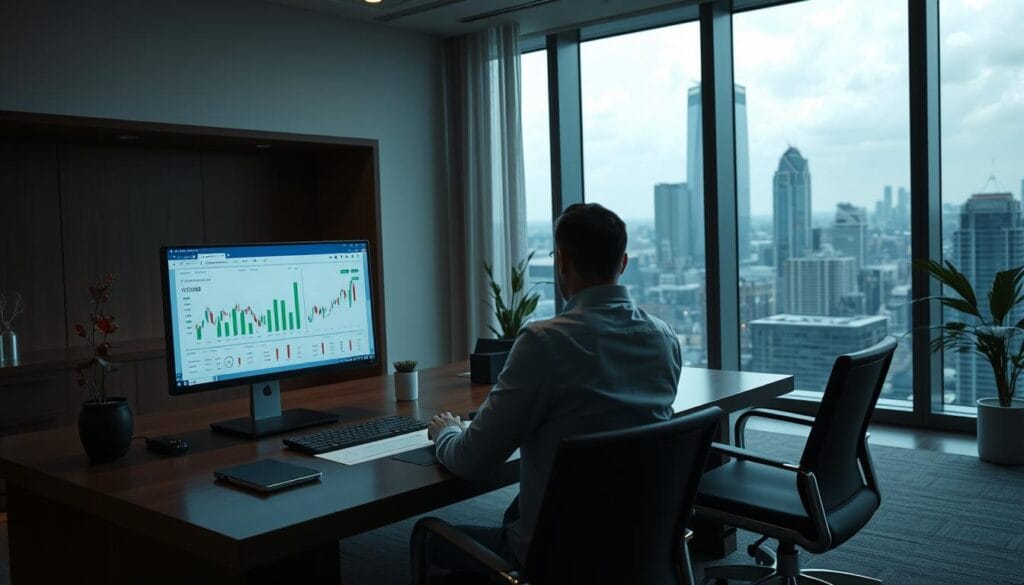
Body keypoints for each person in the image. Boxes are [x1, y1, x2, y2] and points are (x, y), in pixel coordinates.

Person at [424, 203, 682, 575]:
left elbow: (472, 460)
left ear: (560, 262)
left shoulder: (545, 342)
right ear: (623, 262)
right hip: (639, 542)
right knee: (517, 507)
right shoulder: (664, 337)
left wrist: (446, 431)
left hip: (556, 557)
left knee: (428, 539)